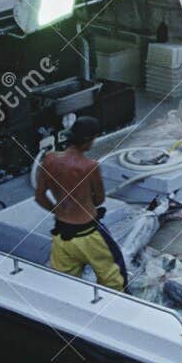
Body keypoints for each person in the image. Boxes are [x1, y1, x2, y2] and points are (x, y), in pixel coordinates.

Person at [34, 117, 127, 291]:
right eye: (93, 139)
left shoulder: (49, 160)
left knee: (64, 283)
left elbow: (40, 197)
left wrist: (58, 210)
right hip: (89, 233)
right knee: (114, 277)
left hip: (61, 234)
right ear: (87, 141)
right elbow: (99, 200)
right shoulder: (90, 166)